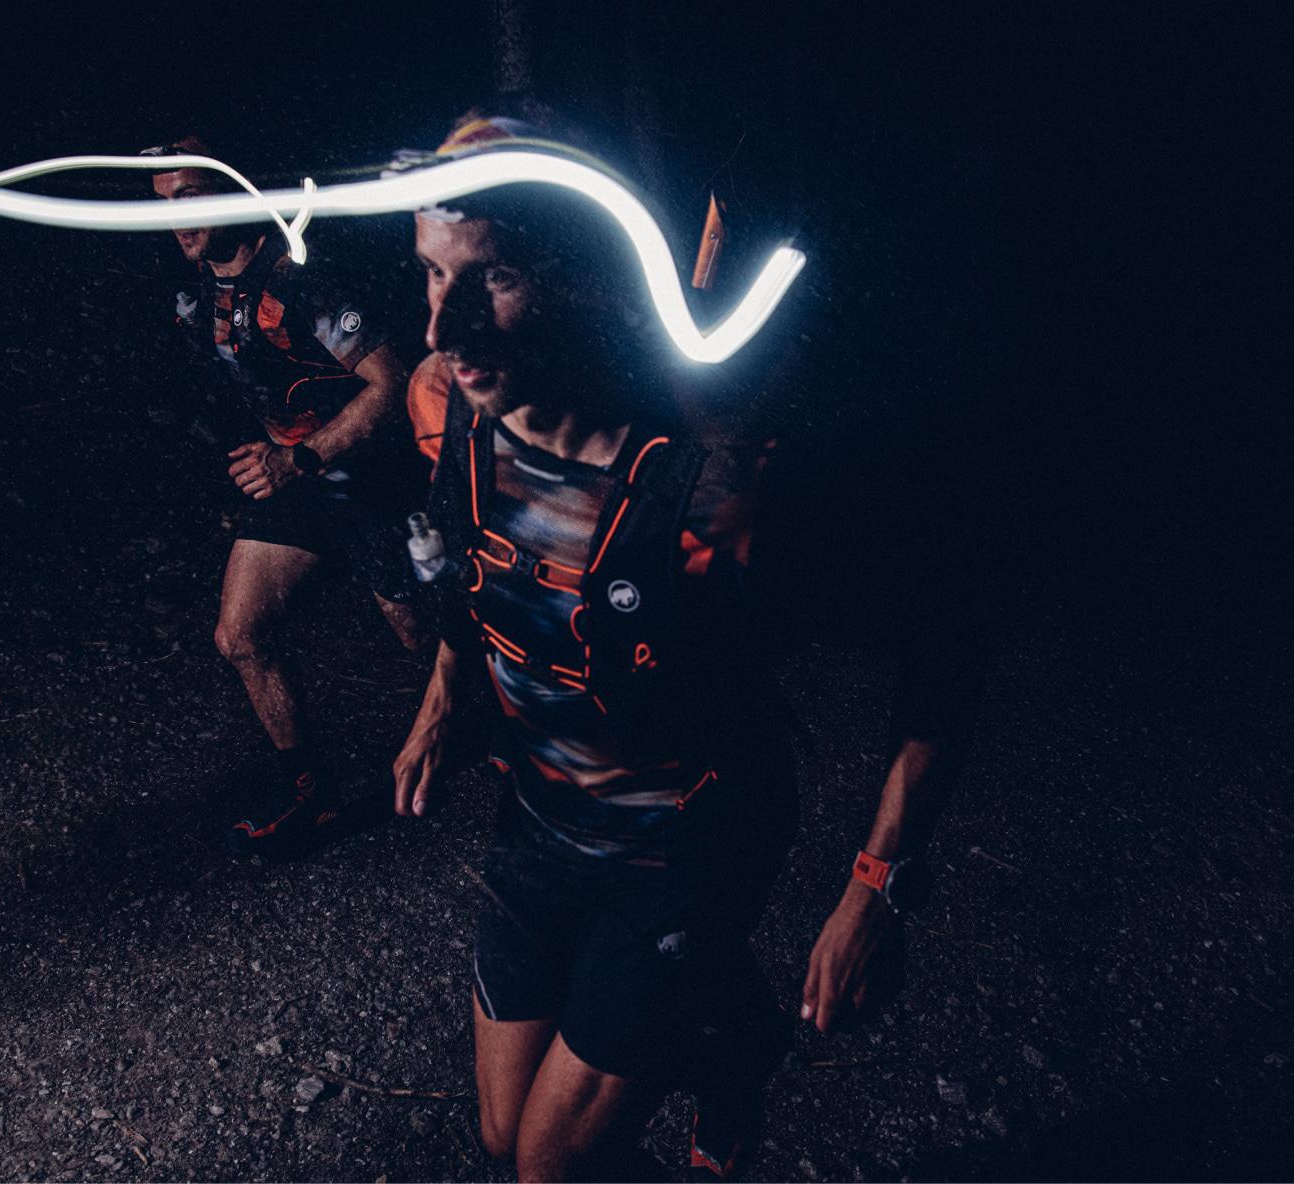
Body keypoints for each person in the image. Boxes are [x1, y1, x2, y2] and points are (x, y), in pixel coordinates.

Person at [391, 110, 979, 1181]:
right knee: (497, 1136)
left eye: (494, 278)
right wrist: (442, 701)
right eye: (432, 277)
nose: (445, 327)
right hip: (536, 824)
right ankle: (728, 1029)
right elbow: (475, 576)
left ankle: (723, 1032)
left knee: (546, 1166)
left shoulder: (711, 488)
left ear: (575, 277)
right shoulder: (446, 408)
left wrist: (876, 887)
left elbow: (945, 648)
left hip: (681, 853)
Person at [144, 137, 423, 853]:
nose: (179, 220)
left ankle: (528, 753)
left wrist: (300, 456)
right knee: (239, 637)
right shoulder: (191, 296)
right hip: (298, 483)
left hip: (376, 482)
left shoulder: (299, 277)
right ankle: (314, 798)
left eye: (190, 198)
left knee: (426, 642)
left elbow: (394, 384)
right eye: (162, 203)